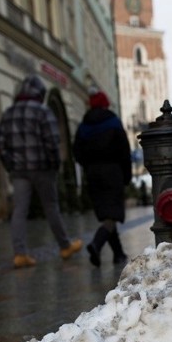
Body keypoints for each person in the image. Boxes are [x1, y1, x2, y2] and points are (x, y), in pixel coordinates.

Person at [0, 75, 82, 268]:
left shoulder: (8, 113)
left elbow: (0, 145)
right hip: (43, 168)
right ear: (39, 94)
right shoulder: (43, 112)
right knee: (51, 207)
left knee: (19, 210)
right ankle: (64, 246)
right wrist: (53, 165)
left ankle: (19, 254)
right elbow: (53, 141)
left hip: (19, 170)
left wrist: (11, 165)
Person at [72, 90, 131, 267]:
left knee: (106, 214)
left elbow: (76, 151)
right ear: (105, 103)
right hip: (113, 171)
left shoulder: (84, 125)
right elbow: (124, 151)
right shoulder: (113, 121)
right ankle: (96, 243)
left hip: (92, 173)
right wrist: (126, 175)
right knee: (112, 215)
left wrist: (88, 165)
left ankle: (118, 254)